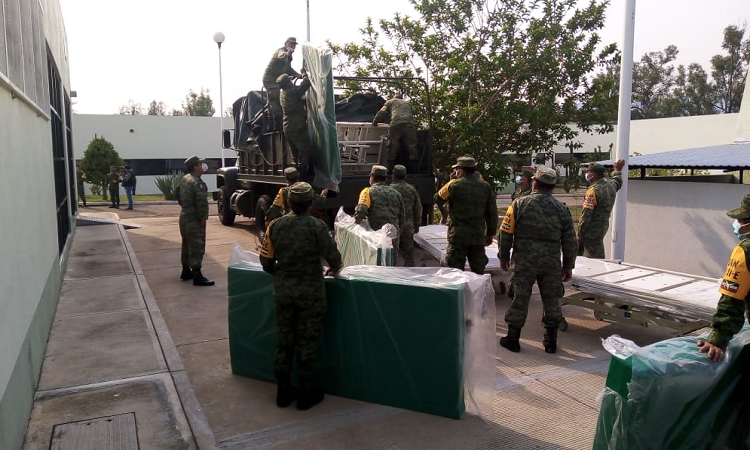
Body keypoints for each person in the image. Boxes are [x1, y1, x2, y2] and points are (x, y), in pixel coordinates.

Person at [260, 182, 343, 411]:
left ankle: (283, 392)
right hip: (311, 295)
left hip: (284, 293)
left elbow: (266, 262)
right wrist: (333, 268)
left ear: (288, 202)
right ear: (310, 203)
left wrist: (283, 275)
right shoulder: (318, 226)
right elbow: (334, 259)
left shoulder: (275, 226)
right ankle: (306, 395)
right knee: (307, 343)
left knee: (284, 342)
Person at [498, 168, 578, 354]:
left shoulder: (519, 204)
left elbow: (505, 233)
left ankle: (513, 339)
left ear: (534, 183)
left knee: (520, 299)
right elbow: (570, 241)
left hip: (524, 261)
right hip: (550, 263)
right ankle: (551, 342)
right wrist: (568, 266)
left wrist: (504, 257)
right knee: (552, 300)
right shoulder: (561, 209)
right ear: (552, 187)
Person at [697, 194, 750, 362]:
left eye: (740, 220)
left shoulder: (745, 251)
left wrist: (717, 339)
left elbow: (732, 300)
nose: (737, 224)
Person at [433, 156, 498, 274]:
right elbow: (492, 212)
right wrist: (490, 233)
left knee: (455, 270)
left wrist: (450, 181)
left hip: (458, 235)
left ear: (461, 170)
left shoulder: (454, 185)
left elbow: (438, 199)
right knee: (478, 270)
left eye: (457, 169)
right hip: (477, 235)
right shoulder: (485, 186)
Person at [355, 165, 405, 262]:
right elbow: (402, 216)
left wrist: (356, 225)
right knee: (391, 262)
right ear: (385, 179)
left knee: (376, 262)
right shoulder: (396, 193)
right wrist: (399, 232)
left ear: (372, 177)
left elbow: (361, 211)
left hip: (376, 234)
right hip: (393, 233)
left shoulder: (367, 191)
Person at [177, 155, 214, 286]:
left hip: (184, 217)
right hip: (194, 219)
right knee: (197, 246)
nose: (202, 166)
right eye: (200, 164)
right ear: (195, 167)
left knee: (186, 244)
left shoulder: (185, 179)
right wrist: (203, 218)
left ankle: (186, 271)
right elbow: (201, 203)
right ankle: (197, 276)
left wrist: (187, 208)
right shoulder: (197, 183)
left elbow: (178, 196)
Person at [577, 159, 626, 258]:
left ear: (593, 175)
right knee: (596, 250)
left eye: (588, 172)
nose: (587, 174)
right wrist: (617, 170)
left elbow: (586, 215)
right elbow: (617, 181)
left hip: (591, 231)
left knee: (593, 257)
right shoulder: (610, 186)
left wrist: (580, 233)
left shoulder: (593, 191)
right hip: (602, 228)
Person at [372, 94, 419, 173]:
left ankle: (390, 170)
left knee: (392, 145)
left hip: (396, 123)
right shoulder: (407, 103)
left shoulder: (390, 102)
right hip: (409, 124)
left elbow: (381, 112)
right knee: (412, 146)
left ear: (394, 97)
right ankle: (415, 170)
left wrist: (375, 122)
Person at [262, 37, 302, 130]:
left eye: (294, 44)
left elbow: (288, 69)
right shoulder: (281, 51)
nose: (292, 46)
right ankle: (276, 125)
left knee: (290, 94)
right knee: (275, 101)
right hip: (270, 81)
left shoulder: (289, 57)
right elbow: (280, 55)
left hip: (281, 79)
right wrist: (286, 54)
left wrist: (299, 75)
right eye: (291, 43)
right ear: (285, 43)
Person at [507, 168, 534, 298]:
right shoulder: (517, 192)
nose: (519, 178)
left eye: (522, 176)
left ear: (527, 179)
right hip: (516, 226)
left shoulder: (530, 193)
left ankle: (516, 288)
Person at [278, 73, 312, 174]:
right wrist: (304, 74)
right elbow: (306, 83)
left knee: (295, 153)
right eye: (290, 81)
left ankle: (295, 173)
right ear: (287, 84)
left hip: (287, 125)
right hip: (296, 125)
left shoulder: (283, 93)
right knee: (304, 149)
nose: (291, 82)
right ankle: (303, 173)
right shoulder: (291, 92)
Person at [390, 165, 423, 267]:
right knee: (408, 253)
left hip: (394, 224)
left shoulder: (390, 190)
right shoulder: (412, 189)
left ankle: (391, 272)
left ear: (393, 176)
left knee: (391, 253)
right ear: (405, 176)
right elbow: (418, 208)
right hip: (408, 224)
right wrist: (417, 224)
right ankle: (411, 272)